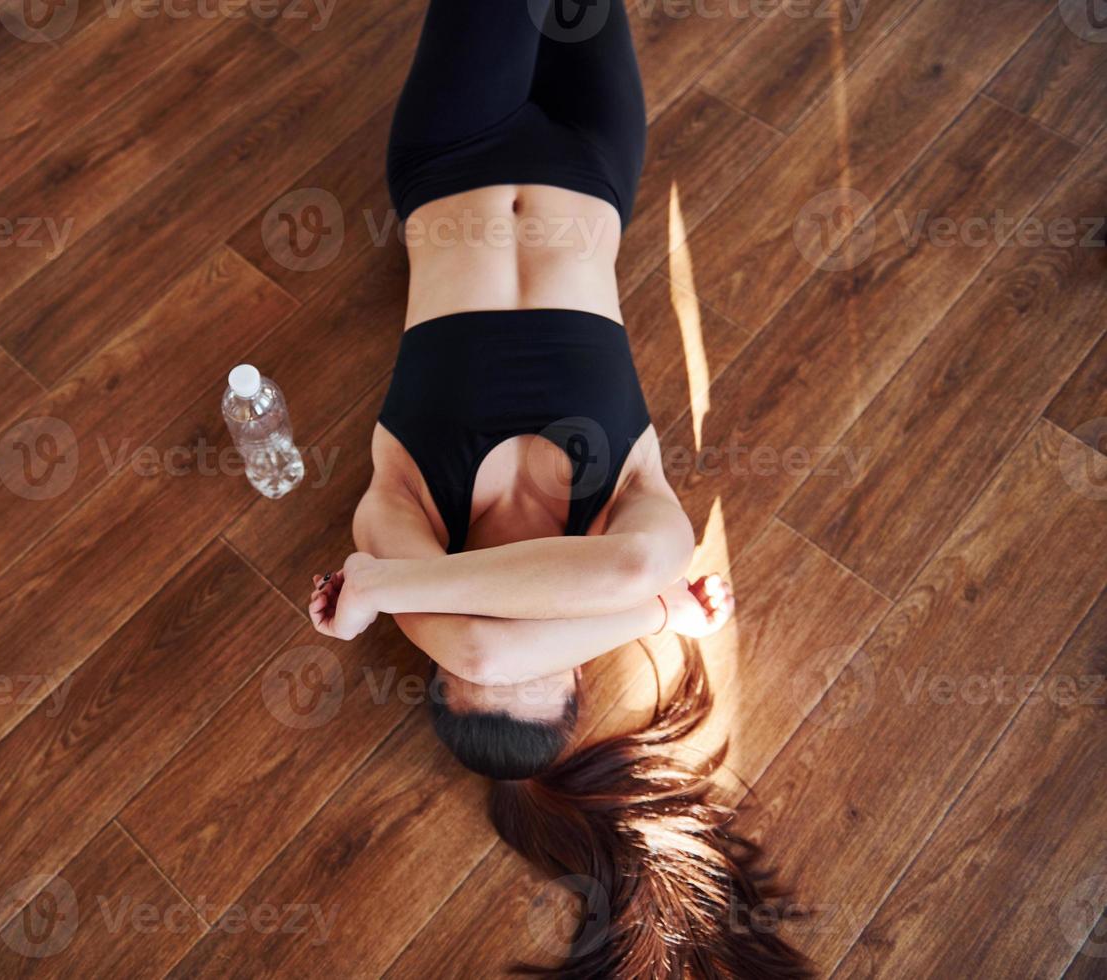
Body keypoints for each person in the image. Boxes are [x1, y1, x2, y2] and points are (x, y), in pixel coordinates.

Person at [307, 0, 812, 975]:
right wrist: (655, 605)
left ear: (439, 643)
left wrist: (388, 584)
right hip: (592, 160)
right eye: (556, 643)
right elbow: (535, 617)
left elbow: (489, 637)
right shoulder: (631, 531)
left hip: (453, 152)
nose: (515, 627)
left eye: (477, 657)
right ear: (582, 662)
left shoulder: (403, 512)